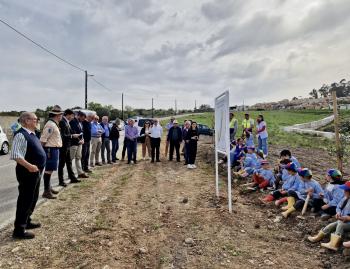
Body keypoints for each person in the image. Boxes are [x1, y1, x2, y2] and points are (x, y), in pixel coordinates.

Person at [11, 112, 46, 239]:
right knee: (25, 199)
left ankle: (27, 220)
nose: (37, 121)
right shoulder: (21, 134)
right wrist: (30, 166)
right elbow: (16, 155)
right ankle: (19, 229)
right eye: (35, 119)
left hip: (35, 171)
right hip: (27, 172)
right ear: (26, 121)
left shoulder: (33, 134)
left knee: (33, 197)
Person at [308, 181, 350, 251]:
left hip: (347, 222)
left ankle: (334, 244)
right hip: (342, 220)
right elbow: (339, 207)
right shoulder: (345, 199)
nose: (344, 191)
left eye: (346, 190)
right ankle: (318, 237)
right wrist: (338, 213)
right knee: (331, 225)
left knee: (341, 225)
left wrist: (347, 218)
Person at [40, 105, 63, 199]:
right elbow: (43, 139)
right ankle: (46, 191)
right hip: (50, 149)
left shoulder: (54, 123)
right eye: (61, 114)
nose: (61, 116)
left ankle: (49, 188)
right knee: (49, 170)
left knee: (51, 169)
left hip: (54, 149)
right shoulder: (50, 124)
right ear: (57, 115)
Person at [58, 109, 79, 186]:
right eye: (72, 115)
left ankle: (72, 177)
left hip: (67, 146)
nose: (73, 117)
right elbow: (63, 135)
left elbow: (70, 132)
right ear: (68, 115)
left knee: (69, 162)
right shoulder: (62, 122)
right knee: (61, 164)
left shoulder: (67, 122)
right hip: (63, 146)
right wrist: (72, 136)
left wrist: (75, 136)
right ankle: (61, 181)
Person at [70, 111, 88, 179]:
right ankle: (71, 174)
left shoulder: (80, 123)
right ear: (79, 116)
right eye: (82, 118)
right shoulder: (73, 122)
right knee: (71, 159)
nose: (83, 120)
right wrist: (79, 140)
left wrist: (82, 139)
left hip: (80, 143)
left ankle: (80, 173)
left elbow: (81, 132)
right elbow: (73, 132)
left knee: (78, 158)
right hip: (74, 144)